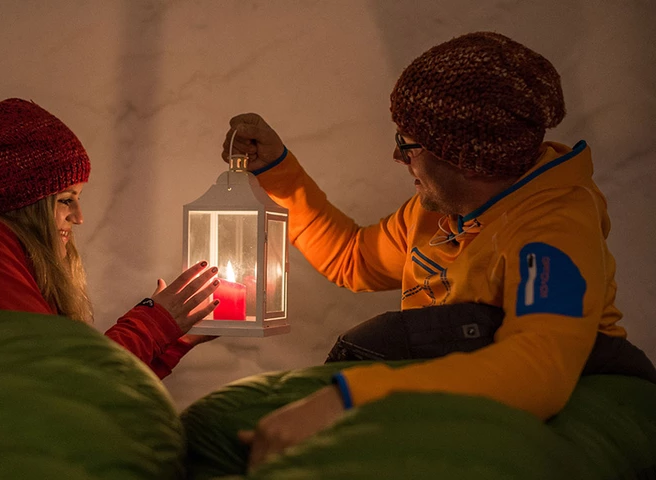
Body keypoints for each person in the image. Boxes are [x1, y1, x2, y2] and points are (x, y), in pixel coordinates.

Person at [223, 32, 655, 469]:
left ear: (465, 157)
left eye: (409, 143)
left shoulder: (554, 228)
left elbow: (539, 368)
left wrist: (350, 397)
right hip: (478, 396)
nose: (397, 155)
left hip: (592, 402)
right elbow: (351, 258)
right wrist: (278, 171)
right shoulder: (438, 211)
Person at [0, 98, 220, 379]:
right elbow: (61, 381)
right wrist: (154, 322)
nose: (79, 217)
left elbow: (82, 388)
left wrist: (172, 341)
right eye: (65, 200)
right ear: (24, 202)